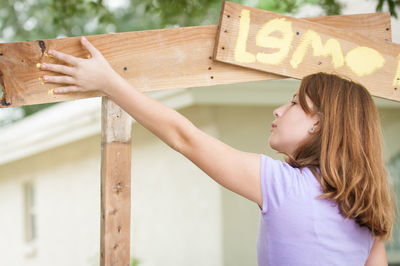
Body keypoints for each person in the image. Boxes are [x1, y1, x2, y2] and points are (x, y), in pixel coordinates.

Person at [40, 36, 395, 266]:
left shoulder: (281, 185)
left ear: (318, 124)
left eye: (293, 103)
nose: (278, 111)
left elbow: (185, 137)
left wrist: (109, 83)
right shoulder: (368, 212)